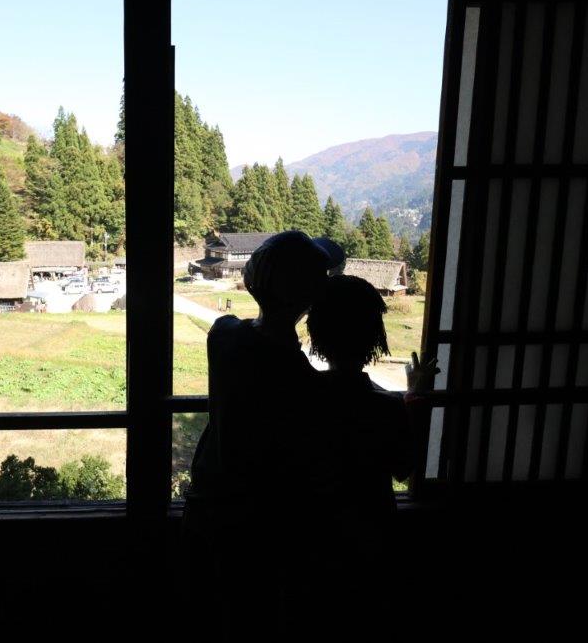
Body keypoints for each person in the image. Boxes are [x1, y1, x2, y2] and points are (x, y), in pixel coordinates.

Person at [183, 230, 344, 638]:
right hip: (264, 526)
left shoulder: (223, 335)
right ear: (309, 298)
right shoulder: (302, 381)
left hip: (208, 505)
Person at [277, 274, 436, 635]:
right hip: (371, 536)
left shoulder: (297, 400)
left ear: (316, 334)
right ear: (375, 338)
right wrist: (415, 398)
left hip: (306, 538)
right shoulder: (386, 408)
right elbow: (403, 467)